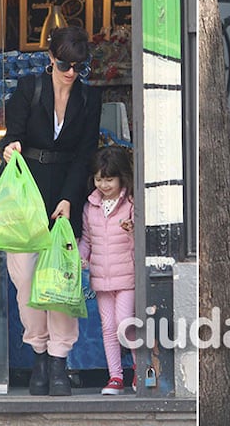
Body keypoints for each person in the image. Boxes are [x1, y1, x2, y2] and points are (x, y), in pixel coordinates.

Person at [1, 25, 102, 396]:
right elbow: (12, 135)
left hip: (65, 194)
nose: (72, 72)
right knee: (26, 281)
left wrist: (69, 199)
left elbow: (85, 153)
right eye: (64, 64)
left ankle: (59, 360)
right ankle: (39, 355)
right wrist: (9, 147)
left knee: (60, 282)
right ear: (50, 59)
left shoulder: (90, 100)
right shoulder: (30, 88)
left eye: (79, 66)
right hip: (27, 197)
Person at [77, 146, 136, 396]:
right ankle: (115, 377)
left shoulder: (132, 203)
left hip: (128, 277)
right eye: (99, 179)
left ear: (122, 176)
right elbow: (87, 240)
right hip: (100, 278)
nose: (103, 184)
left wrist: (133, 231)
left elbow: (141, 243)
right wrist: (79, 257)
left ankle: (140, 370)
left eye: (109, 179)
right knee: (108, 328)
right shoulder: (90, 207)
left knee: (126, 324)